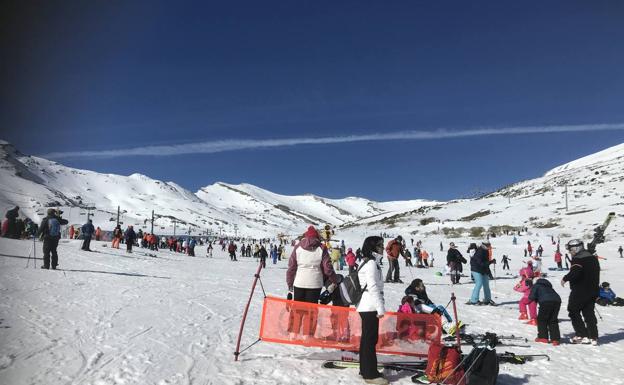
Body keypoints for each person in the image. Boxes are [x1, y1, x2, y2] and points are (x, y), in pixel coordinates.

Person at [356, 236, 387, 385]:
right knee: (370, 340)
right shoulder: (371, 264)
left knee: (367, 339)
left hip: (366, 304)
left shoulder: (367, 262)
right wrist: (380, 307)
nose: (383, 248)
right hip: (369, 305)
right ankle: (370, 374)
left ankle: (366, 369)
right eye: (380, 245)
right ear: (373, 247)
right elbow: (373, 287)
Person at [561, 239, 600, 345]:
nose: (570, 252)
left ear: (576, 248)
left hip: (580, 290)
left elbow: (575, 273)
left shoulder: (578, 259)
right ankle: (593, 337)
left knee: (573, 310)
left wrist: (565, 278)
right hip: (593, 290)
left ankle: (582, 335)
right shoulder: (593, 258)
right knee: (589, 313)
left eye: (570, 249)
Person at [529, 278, 562, 345]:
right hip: (557, 301)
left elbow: (531, 297)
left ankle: (543, 337)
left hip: (546, 302)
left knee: (541, 319)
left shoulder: (537, 285)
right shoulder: (549, 287)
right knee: (553, 320)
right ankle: (555, 339)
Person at [467, 241, 496, 305]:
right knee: (479, 283)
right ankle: (473, 300)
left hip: (483, 269)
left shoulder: (486, 251)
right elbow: (481, 263)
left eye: (489, 246)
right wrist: (490, 262)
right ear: (484, 245)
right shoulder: (480, 251)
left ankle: (487, 300)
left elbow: (485, 263)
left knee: (486, 284)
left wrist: (489, 273)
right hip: (476, 269)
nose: (489, 247)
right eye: (488, 246)